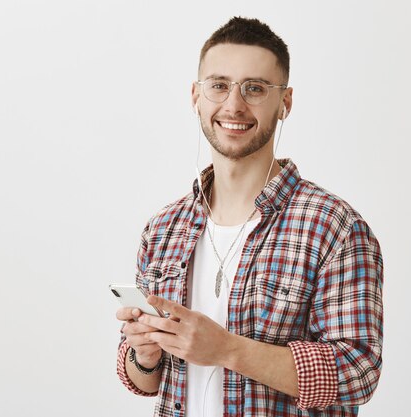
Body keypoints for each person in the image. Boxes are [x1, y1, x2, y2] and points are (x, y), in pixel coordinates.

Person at [115, 17, 383, 417]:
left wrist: (227, 349)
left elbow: (358, 372)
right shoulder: (163, 228)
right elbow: (145, 381)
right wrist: (144, 353)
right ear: (196, 96)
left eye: (255, 88)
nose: (234, 105)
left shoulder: (333, 226)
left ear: (285, 102)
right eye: (219, 85)